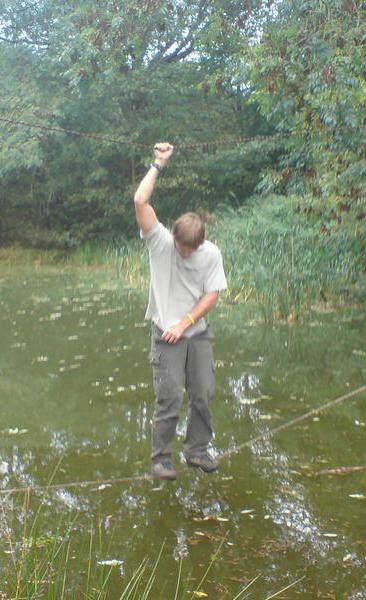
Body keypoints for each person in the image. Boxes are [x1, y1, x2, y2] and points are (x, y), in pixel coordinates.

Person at [133, 142, 228, 481]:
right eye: (182, 247)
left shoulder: (210, 253)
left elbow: (212, 295)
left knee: (202, 394)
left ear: (201, 242)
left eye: (193, 248)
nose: (187, 253)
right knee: (169, 398)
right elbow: (140, 201)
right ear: (174, 236)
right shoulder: (159, 241)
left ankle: (197, 452)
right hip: (165, 335)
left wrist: (186, 321)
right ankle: (161, 459)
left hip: (196, 333)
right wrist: (159, 163)